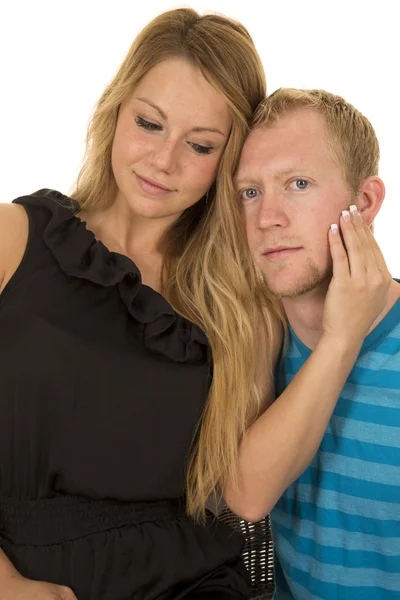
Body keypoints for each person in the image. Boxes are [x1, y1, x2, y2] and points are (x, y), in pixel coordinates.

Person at [0, 6, 391, 598]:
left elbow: (246, 491)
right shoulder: (12, 239)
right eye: (149, 124)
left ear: (226, 163)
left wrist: (342, 336)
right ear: (116, 109)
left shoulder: (242, 302)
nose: (164, 161)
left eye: (201, 145)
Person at [235, 87, 400, 598]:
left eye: (298, 183)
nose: (267, 218)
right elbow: (244, 495)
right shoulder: (251, 344)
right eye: (249, 192)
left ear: (366, 202)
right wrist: (340, 340)